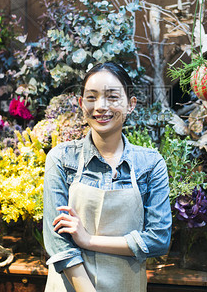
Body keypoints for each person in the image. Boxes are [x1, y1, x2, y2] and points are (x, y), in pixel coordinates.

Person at [43, 62, 172, 292]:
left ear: (131, 104)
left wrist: (87, 240)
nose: (101, 106)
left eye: (112, 97)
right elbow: (58, 243)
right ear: (81, 104)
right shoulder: (61, 159)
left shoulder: (150, 164)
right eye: (91, 97)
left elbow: (159, 240)